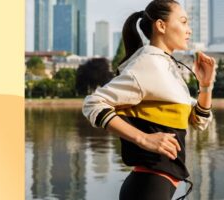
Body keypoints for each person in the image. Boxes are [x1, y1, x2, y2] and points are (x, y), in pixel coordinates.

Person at [82, 0, 216, 199]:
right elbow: (93, 104)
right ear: (161, 25)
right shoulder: (148, 64)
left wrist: (205, 86)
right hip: (148, 187)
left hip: (156, 186)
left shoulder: (168, 66)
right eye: (183, 22)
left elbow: (199, 121)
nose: (189, 29)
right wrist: (143, 138)